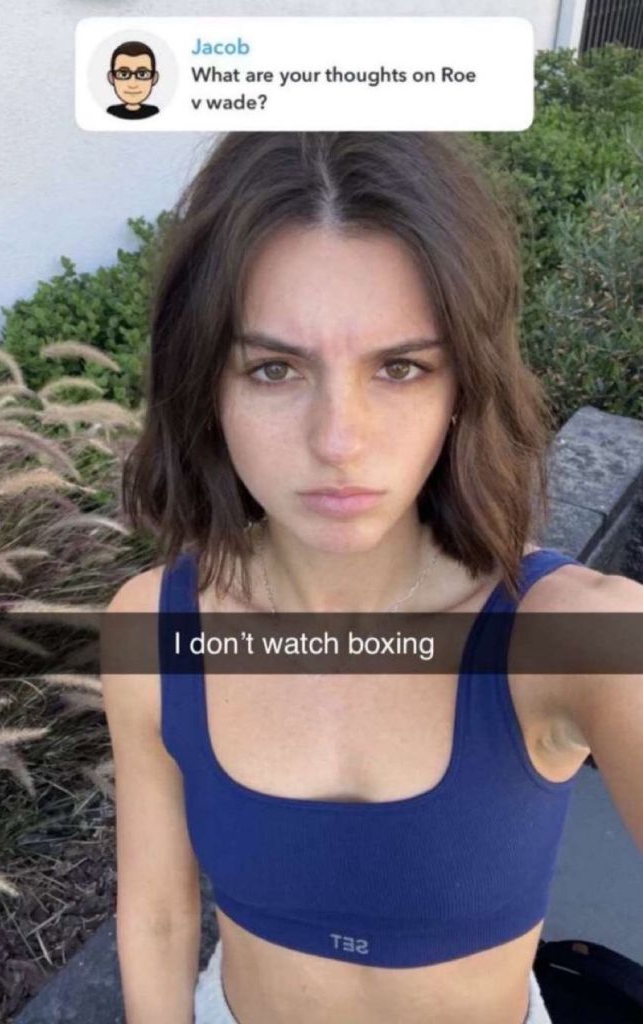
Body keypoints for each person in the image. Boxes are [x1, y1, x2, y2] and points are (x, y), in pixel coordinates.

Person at [102, 132, 643, 1024]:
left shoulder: (575, 638)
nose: (338, 441)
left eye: (400, 367)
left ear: (462, 385)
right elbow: (159, 913)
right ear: (207, 387)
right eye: (275, 369)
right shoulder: (155, 628)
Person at [106, 41, 160, 120]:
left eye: (142, 74)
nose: (132, 84)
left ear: (154, 78)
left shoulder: (155, 112)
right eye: (123, 74)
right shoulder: (110, 112)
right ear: (111, 78)